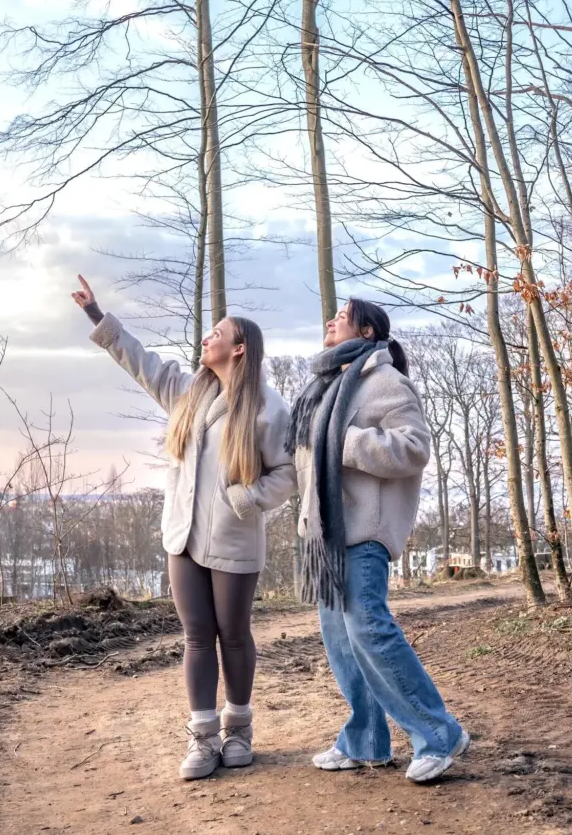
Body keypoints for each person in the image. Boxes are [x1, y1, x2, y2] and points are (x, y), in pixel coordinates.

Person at [72, 276, 296, 781]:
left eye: (218, 333)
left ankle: (239, 730)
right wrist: (97, 316)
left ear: (239, 349)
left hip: (234, 536)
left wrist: (248, 499)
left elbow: (287, 473)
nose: (206, 337)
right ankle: (203, 737)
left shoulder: (267, 406)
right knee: (196, 637)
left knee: (233, 635)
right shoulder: (188, 392)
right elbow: (141, 363)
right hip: (182, 537)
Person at [286, 298, 469, 783]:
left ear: (366, 331)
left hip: (364, 530)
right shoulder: (324, 387)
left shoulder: (385, 380)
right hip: (325, 538)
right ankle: (365, 741)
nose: (331, 320)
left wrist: (344, 442)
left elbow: (414, 448)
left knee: (369, 630)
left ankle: (439, 734)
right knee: (342, 643)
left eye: (342, 316)